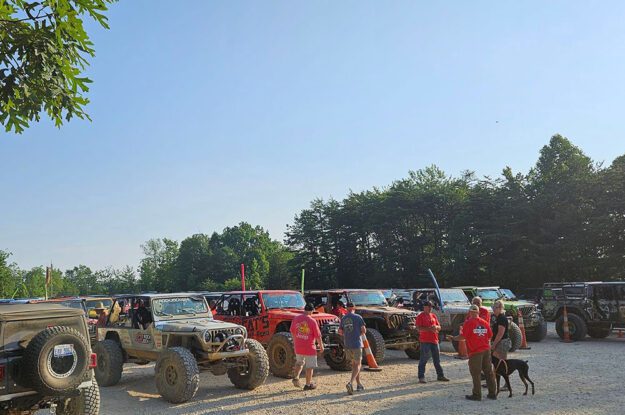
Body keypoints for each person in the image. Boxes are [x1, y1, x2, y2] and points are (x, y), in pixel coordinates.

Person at [451, 305, 497, 401]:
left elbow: (463, 336)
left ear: (470, 312)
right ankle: (492, 393)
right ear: (478, 312)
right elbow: (489, 335)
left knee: (476, 373)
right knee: (489, 372)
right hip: (486, 350)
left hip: (475, 351)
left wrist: (454, 338)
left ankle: (477, 394)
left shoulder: (468, 323)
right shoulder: (485, 322)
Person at [290, 303, 324, 390]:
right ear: (312, 311)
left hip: (298, 345)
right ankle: (308, 384)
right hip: (309, 347)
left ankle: (296, 377)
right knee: (309, 367)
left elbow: (292, 331)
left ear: (304, 309)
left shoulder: (296, 318)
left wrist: (295, 342)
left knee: (299, 362)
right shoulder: (312, 321)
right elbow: (318, 336)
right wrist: (321, 346)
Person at [415, 301, 450, 383]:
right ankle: (421, 376)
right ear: (424, 307)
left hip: (434, 340)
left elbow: (439, 327)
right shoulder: (420, 316)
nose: (430, 308)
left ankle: (440, 375)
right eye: (429, 306)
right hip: (425, 341)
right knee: (423, 359)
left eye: (431, 306)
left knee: (437, 360)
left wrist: (436, 327)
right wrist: (430, 329)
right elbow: (418, 328)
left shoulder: (433, 315)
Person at [340, 302, 366, 395]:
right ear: (354, 307)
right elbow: (364, 330)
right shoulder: (358, 317)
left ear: (346, 308)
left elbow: (340, 332)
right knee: (358, 365)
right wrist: (358, 334)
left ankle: (358, 384)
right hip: (357, 344)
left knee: (354, 365)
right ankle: (350, 383)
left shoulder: (343, 318)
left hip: (347, 344)